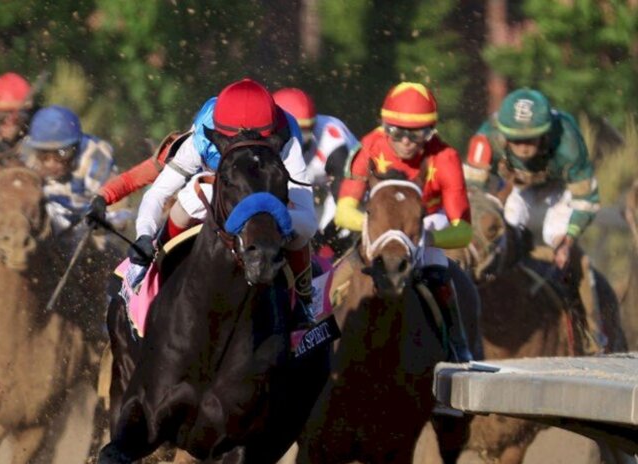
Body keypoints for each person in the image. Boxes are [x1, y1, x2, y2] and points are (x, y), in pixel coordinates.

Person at [130, 78, 317, 297]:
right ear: (217, 135)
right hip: (221, 192)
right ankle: (153, 274)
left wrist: (264, 214)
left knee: (301, 234)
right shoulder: (201, 135)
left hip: (266, 200)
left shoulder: (287, 135)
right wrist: (144, 235)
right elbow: (158, 192)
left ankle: (305, 300)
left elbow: (308, 220)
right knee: (190, 199)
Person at [335, 82, 474, 362]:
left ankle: (458, 348)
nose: (407, 142)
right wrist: (377, 228)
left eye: (418, 134)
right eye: (397, 133)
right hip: (379, 223)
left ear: (430, 132)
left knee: (438, 270)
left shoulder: (446, 157)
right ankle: (309, 340)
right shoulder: (369, 145)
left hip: (424, 222)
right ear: (385, 128)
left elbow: (464, 230)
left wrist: (427, 238)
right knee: (332, 282)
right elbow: (343, 211)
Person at [463, 87, 604, 351]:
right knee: (502, 235)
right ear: (502, 133)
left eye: (532, 139)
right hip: (517, 190)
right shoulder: (485, 138)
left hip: (561, 192)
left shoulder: (568, 139)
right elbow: (471, 193)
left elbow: (587, 199)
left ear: (547, 132)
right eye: (516, 140)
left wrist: (568, 240)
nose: (524, 147)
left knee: (556, 239)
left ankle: (594, 334)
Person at [22, 105, 118, 240]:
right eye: (43, 154)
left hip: (90, 222)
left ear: (77, 147)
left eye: (62, 153)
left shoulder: (94, 157)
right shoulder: (27, 157)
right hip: (49, 222)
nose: (51, 163)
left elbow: (118, 211)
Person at [272, 87, 357, 237]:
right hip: (299, 182)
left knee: (340, 234)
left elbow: (343, 203)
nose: (295, 140)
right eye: (288, 131)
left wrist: (323, 240)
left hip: (340, 185)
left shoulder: (334, 145)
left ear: (313, 127)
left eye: (302, 133)